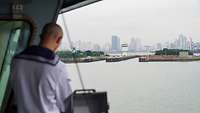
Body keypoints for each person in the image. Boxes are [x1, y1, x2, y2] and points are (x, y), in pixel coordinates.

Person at [11, 23, 72, 113]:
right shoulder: (58, 67)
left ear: (41, 36)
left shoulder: (16, 60)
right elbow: (66, 103)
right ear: (59, 39)